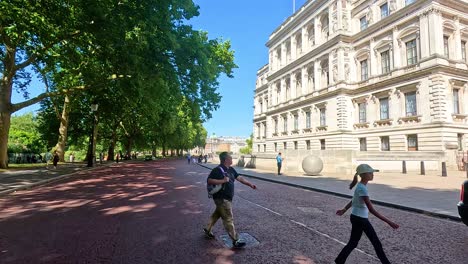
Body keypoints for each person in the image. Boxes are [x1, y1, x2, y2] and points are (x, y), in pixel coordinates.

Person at [335, 164, 399, 264]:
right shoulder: (362, 188)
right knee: (376, 243)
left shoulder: (361, 186)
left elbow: (354, 200)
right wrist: (389, 222)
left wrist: (344, 209)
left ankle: (339, 260)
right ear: (364, 175)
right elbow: (371, 210)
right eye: (370, 173)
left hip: (356, 217)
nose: (372, 174)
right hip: (361, 219)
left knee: (353, 243)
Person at [203, 152, 257, 248]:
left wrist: (250, 184)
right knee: (228, 218)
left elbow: (240, 178)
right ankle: (235, 240)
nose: (232, 159)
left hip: (226, 198)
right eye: (230, 158)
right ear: (226, 160)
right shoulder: (217, 170)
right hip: (222, 198)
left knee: (217, 214)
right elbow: (209, 180)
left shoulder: (231, 169)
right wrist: (223, 181)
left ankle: (207, 229)